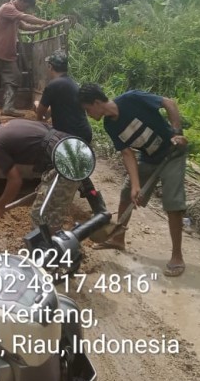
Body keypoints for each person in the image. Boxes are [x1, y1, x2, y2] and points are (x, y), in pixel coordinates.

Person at [78, 83, 189, 277]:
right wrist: (136, 186)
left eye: (87, 109)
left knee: (172, 203)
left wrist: (177, 133)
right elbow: (127, 154)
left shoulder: (132, 99)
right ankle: (118, 239)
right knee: (126, 193)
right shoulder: (110, 124)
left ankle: (177, 256)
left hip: (172, 155)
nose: (88, 114)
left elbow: (169, 103)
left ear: (96, 103)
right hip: (149, 158)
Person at [0, 115, 79, 230]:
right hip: (74, 149)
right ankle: (56, 243)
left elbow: (15, 181)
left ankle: (53, 247)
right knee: (48, 213)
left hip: (65, 162)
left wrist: (0, 205)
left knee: (40, 216)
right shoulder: (11, 124)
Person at [35, 50, 107, 215]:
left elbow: (41, 113)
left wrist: (39, 114)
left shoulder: (53, 85)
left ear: (50, 67)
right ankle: (98, 207)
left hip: (71, 135)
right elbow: (62, 107)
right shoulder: (71, 83)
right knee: (76, 170)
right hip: (82, 131)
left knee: (72, 170)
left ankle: (97, 207)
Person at [0, 0, 55, 119]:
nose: (26, 9)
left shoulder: (14, 14)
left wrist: (39, 29)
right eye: (26, 6)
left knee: (15, 77)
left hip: (8, 54)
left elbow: (25, 26)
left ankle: (8, 107)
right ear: (20, 0)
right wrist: (46, 22)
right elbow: (25, 18)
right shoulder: (7, 8)